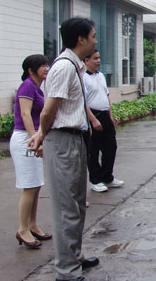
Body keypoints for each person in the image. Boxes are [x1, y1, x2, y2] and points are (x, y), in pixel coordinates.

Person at [29, 17, 100, 281]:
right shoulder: (63, 67)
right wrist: (41, 135)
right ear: (81, 39)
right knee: (66, 208)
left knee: (78, 205)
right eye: (93, 36)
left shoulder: (75, 66)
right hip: (62, 141)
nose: (95, 41)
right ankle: (66, 270)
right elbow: (48, 111)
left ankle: (75, 256)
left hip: (75, 139)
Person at [10, 54, 51, 249]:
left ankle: (33, 225)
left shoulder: (36, 88)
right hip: (25, 139)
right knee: (29, 186)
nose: (46, 68)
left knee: (36, 185)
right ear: (31, 70)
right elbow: (25, 114)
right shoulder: (27, 86)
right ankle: (23, 229)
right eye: (42, 65)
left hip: (32, 138)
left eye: (47, 65)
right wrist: (35, 139)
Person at [84, 49, 124, 193]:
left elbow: (106, 96)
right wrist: (93, 120)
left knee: (111, 147)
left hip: (105, 115)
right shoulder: (83, 77)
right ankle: (95, 180)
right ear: (86, 60)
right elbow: (83, 101)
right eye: (95, 58)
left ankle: (107, 177)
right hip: (92, 115)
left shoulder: (101, 76)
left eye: (99, 58)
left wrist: (110, 115)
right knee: (93, 150)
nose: (99, 61)